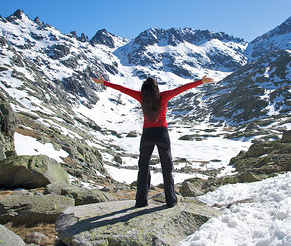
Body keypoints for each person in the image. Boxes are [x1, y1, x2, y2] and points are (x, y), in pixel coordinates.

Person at [92, 75, 215, 208]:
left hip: (147, 135)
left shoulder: (141, 97)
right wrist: (200, 81)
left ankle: (141, 201)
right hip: (162, 134)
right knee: (167, 168)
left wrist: (104, 83)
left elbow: (123, 89)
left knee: (143, 168)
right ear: (156, 88)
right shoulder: (164, 96)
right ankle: (171, 201)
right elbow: (181, 89)